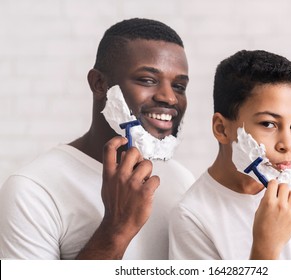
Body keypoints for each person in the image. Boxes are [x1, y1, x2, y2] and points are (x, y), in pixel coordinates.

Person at [0, 18, 194, 260]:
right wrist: (117, 227)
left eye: (179, 86)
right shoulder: (32, 191)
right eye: (147, 80)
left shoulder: (182, 180)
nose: (170, 98)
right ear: (99, 84)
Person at [169, 50, 291, 260]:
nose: (287, 144)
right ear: (222, 129)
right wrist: (266, 247)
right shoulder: (192, 217)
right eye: (269, 124)